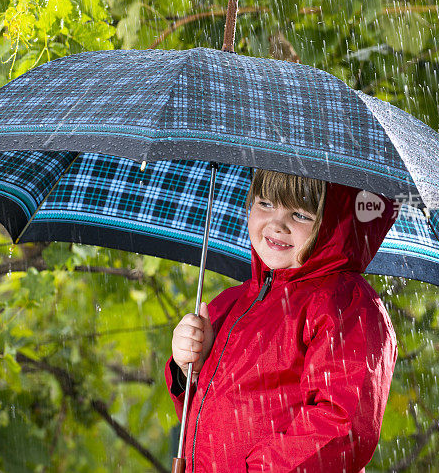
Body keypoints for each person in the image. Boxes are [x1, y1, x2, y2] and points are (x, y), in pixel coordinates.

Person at [166, 170, 398, 472]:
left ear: (336, 223)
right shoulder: (231, 303)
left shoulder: (345, 306)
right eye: (265, 202)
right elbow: (205, 420)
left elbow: (340, 426)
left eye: (300, 214)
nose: (277, 223)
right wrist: (190, 369)